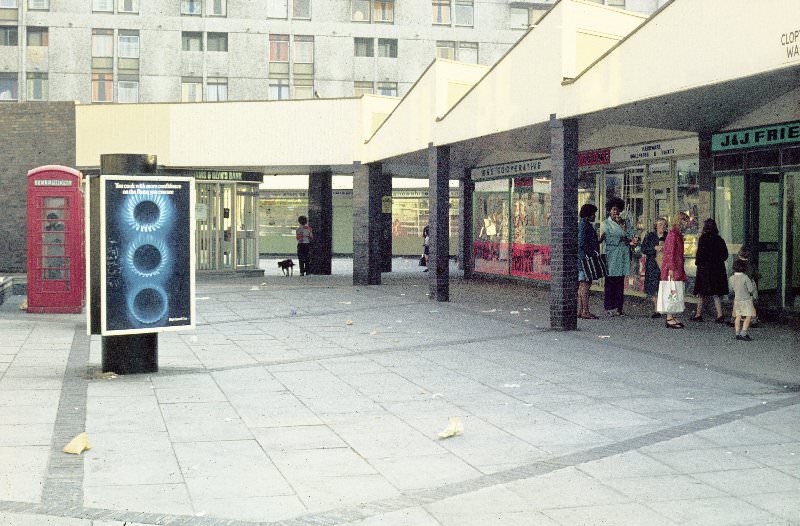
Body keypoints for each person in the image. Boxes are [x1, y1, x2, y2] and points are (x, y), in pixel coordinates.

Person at [600, 197, 638, 316]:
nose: (616, 212)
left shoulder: (625, 222)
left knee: (620, 282)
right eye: (614, 210)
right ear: (609, 210)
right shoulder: (605, 224)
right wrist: (621, 239)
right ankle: (609, 306)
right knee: (611, 281)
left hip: (623, 255)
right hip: (612, 255)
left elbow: (631, 235)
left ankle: (619, 307)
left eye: (617, 210)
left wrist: (625, 230)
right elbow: (607, 238)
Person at [691, 218, 729, 323]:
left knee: (701, 293)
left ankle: (698, 314)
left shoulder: (703, 239)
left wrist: (698, 263)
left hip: (705, 269)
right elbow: (725, 255)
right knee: (716, 294)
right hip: (717, 269)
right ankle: (719, 315)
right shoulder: (719, 239)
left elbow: (700, 255)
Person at [661, 212, 690, 328]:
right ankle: (669, 317)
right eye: (685, 220)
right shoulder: (674, 235)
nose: (687, 224)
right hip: (674, 268)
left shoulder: (676, 234)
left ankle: (671, 316)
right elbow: (670, 253)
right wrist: (671, 269)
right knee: (672, 291)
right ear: (680, 221)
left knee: (675, 291)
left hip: (676, 267)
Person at [641, 217, 667, 318]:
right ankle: (656, 309)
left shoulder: (668, 236)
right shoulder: (650, 236)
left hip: (665, 264)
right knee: (652, 286)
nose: (662, 226)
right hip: (652, 264)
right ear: (656, 226)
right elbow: (643, 248)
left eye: (664, 224)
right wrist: (654, 248)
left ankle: (663, 307)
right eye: (660, 224)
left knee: (663, 285)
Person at [577, 204, 600, 319]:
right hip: (585, 260)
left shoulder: (583, 224)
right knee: (585, 284)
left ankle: (581, 310)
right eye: (593, 214)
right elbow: (582, 243)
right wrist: (590, 253)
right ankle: (585, 311)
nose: (594, 216)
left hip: (583, 259)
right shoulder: (584, 226)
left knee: (583, 284)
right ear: (588, 215)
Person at [729, 258, 756, 341]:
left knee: (738, 316)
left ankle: (737, 333)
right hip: (746, 300)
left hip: (737, 300)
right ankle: (743, 333)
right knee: (748, 316)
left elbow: (731, 289)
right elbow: (750, 289)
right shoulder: (745, 277)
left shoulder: (731, 278)